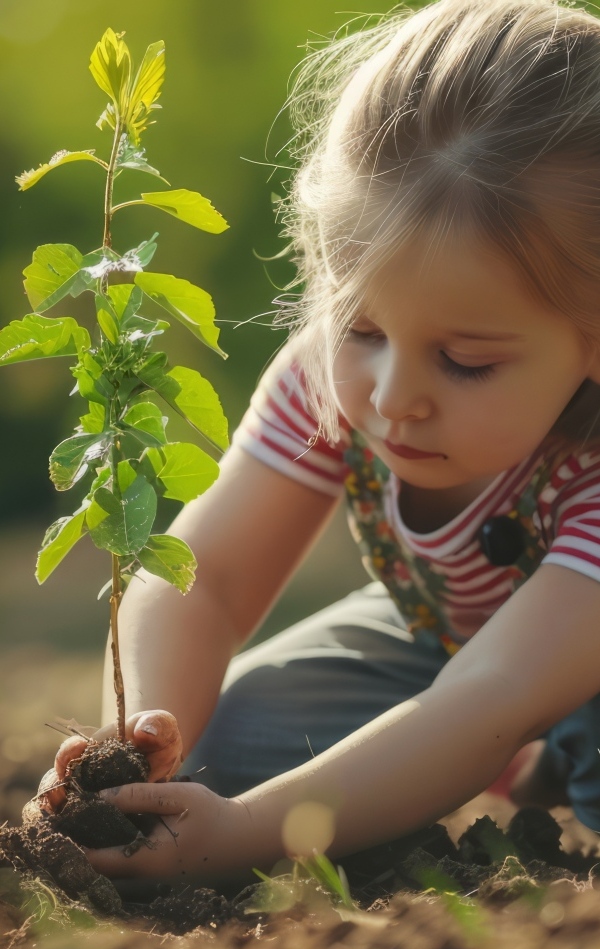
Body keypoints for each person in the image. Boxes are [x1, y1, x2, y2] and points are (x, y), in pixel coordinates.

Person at [48, 0, 600, 882]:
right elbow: (211, 575)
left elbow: (491, 696)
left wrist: (246, 836)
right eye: (362, 328)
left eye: (464, 362)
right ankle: (536, 757)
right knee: (227, 745)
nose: (393, 398)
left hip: (531, 663)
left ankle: (559, 750)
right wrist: (148, 737)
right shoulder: (328, 375)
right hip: (453, 641)